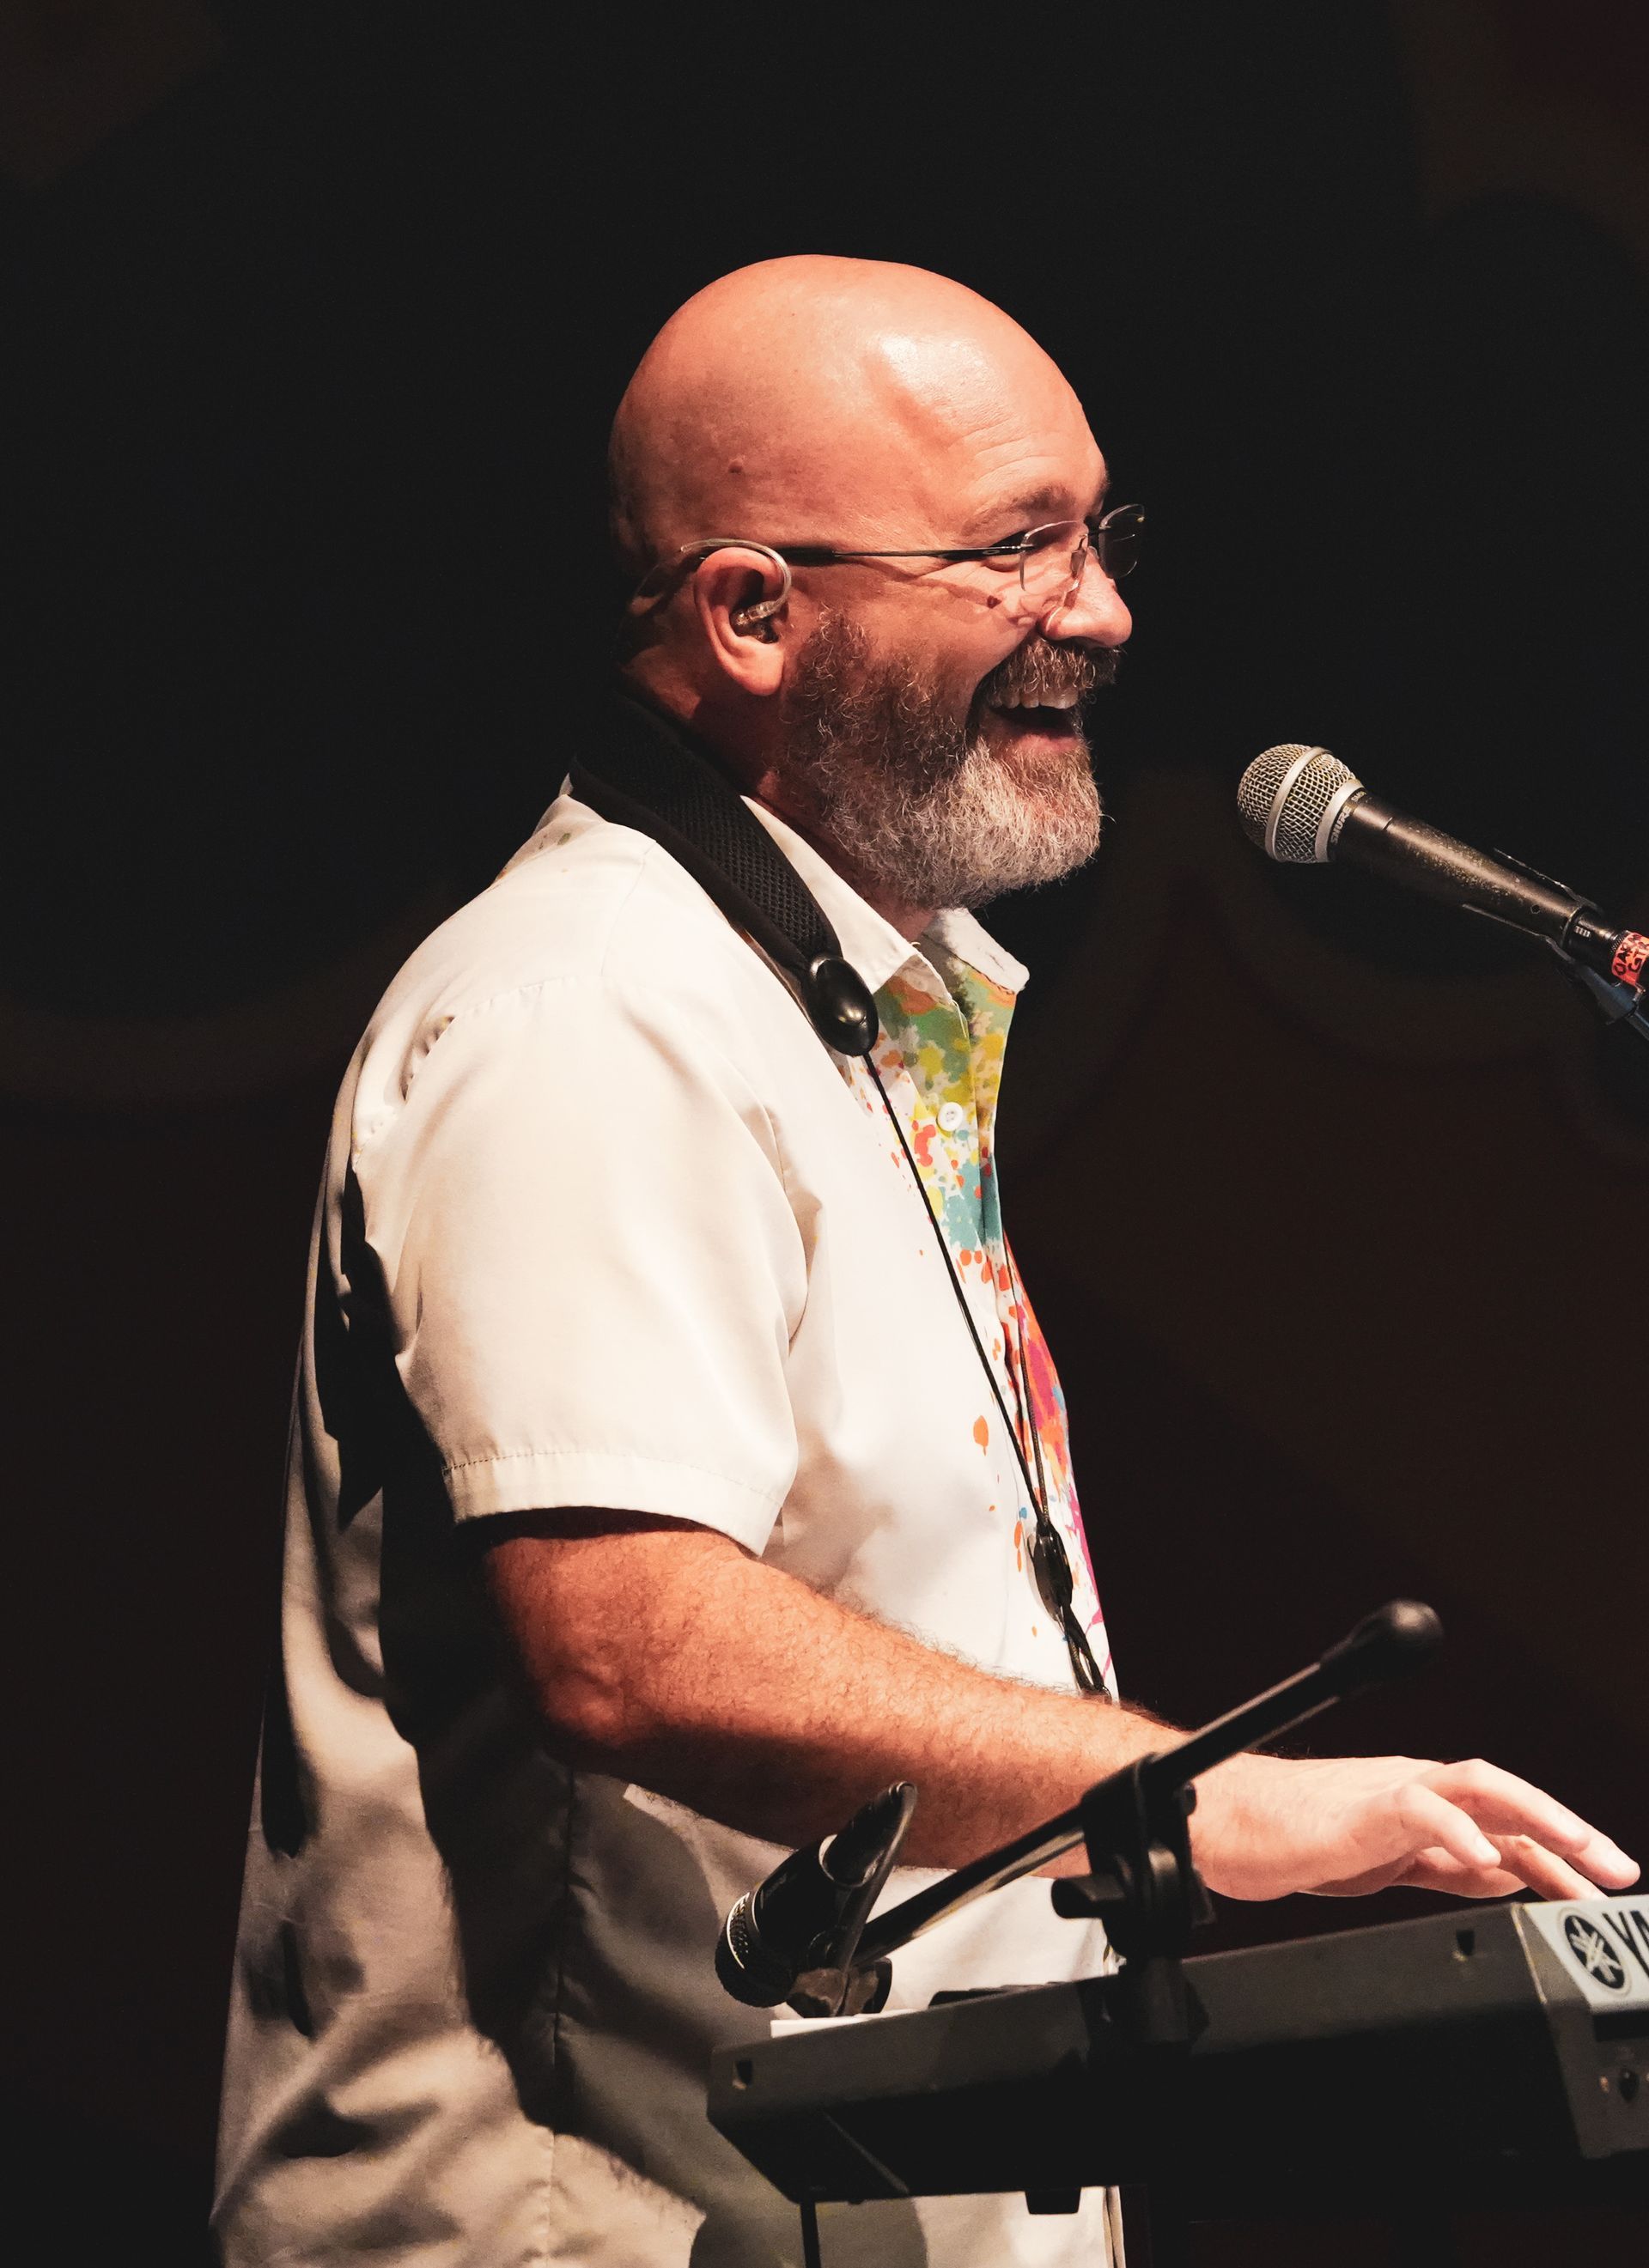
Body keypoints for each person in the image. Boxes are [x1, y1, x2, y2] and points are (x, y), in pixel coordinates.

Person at [214, 256, 1636, 2268]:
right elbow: (625, 1634)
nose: (1108, 609)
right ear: (753, 613)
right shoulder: (593, 1004)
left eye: (1099, 531)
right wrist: (1179, 1798)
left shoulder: (845, 1013)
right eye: (1014, 546)